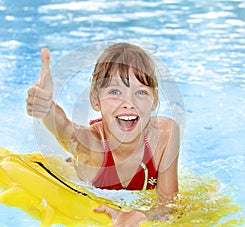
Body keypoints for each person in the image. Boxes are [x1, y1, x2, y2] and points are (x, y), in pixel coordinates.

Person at [26, 43, 180, 227]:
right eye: (115, 91)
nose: (128, 103)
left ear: (154, 100)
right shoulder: (92, 147)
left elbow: (170, 206)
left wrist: (141, 216)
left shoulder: (165, 135)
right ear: (95, 100)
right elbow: (65, 128)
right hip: (82, 184)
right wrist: (46, 107)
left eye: (140, 92)